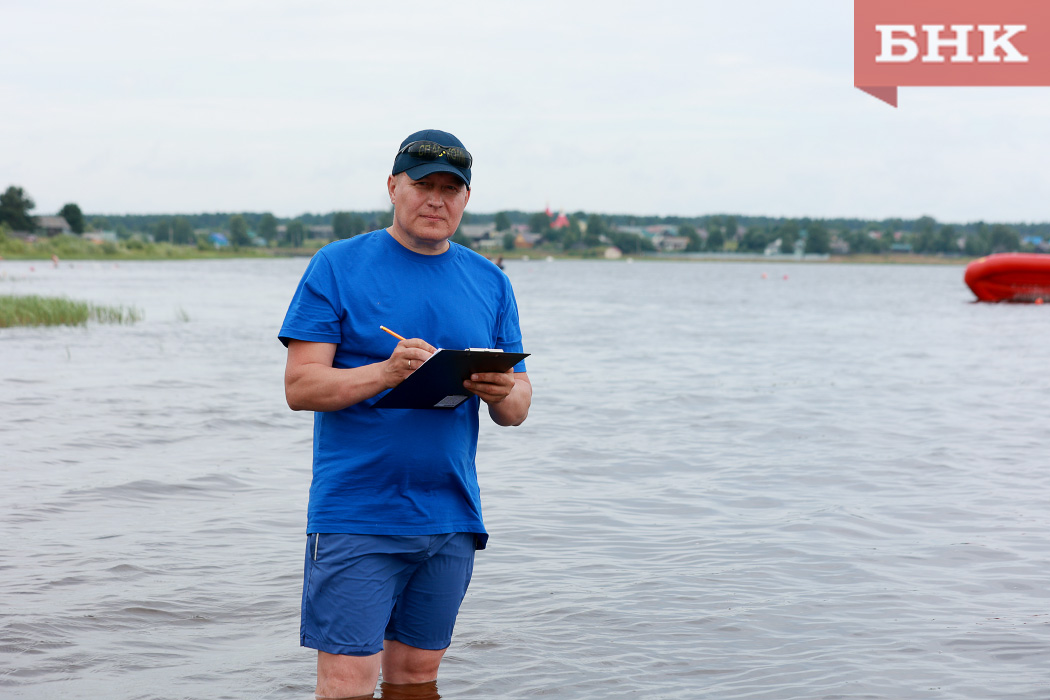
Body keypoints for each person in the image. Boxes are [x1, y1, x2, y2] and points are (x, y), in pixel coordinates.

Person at [279, 128, 532, 699]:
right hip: (357, 512)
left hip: (451, 514)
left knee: (418, 679)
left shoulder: (491, 281)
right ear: (394, 187)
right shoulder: (336, 265)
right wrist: (386, 373)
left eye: (450, 189)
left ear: (466, 199)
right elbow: (300, 386)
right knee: (346, 685)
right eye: (423, 185)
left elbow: (518, 406)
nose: (436, 200)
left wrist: (500, 391)